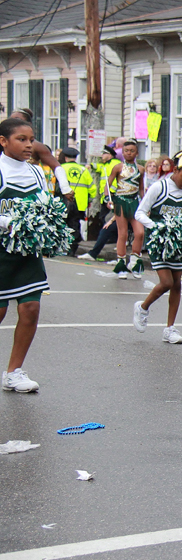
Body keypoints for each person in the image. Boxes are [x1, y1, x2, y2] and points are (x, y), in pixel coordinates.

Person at [0, 118, 52, 392]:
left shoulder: (36, 173)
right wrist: (8, 222)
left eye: (31, 139)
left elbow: (44, 207)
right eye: (21, 139)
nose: (29, 145)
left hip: (27, 251)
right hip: (0, 250)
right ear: (3, 141)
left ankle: (13, 372)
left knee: (30, 308)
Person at [132, 150, 182, 345]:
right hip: (158, 241)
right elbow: (140, 213)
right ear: (176, 170)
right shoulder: (159, 188)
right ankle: (143, 307)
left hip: (177, 243)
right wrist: (158, 227)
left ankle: (170, 329)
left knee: (177, 284)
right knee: (166, 282)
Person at [8, 109, 72, 200]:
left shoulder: (37, 146)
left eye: (17, 120)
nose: (13, 123)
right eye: (11, 120)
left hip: (30, 189)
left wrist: (65, 188)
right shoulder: (4, 143)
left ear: (28, 124)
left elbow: (56, 166)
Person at [107, 140, 145, 279]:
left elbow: (141, 188)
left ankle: (134, 262)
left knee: (139, 232)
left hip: (135, 203)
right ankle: (121, 263)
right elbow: (108, 184)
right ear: (122, 153)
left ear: (137, 153)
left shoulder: (141, 169)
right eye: (126, 150)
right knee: (122, 234)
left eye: (132, 150)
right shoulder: (117, 167)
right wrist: (107, 197)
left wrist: (145, 203)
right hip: (120, 202)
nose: (129, 153)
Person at [60, 147, 95, 256]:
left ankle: (61, 247)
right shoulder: (84, 170)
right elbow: (92, 188)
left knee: (62, 225)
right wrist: (89, 200)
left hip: (63, 203)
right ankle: (72, 248)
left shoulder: (60, 168)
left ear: (65, 158)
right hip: (80, 204)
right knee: (74, 226)